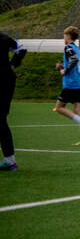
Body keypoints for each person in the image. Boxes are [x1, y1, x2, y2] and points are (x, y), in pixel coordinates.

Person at [53, 26, 80, 146]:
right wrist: (62, 67)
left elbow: (74, 59)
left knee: (59, 107)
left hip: (72, 83)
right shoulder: (76, 48)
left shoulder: (68, 47)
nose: (63, 38)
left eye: (64, 35)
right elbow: (74, 60)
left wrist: (65, 71)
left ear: (68, 36)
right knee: (77, 110)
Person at [1, 31, 27, 171]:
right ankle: (9, 160)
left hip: (4, 82)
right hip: (7, 80)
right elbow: (22, 49)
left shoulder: (4, 38)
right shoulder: (5, 38)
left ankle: (10, 160)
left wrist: (11, 65)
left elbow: (22, 49)